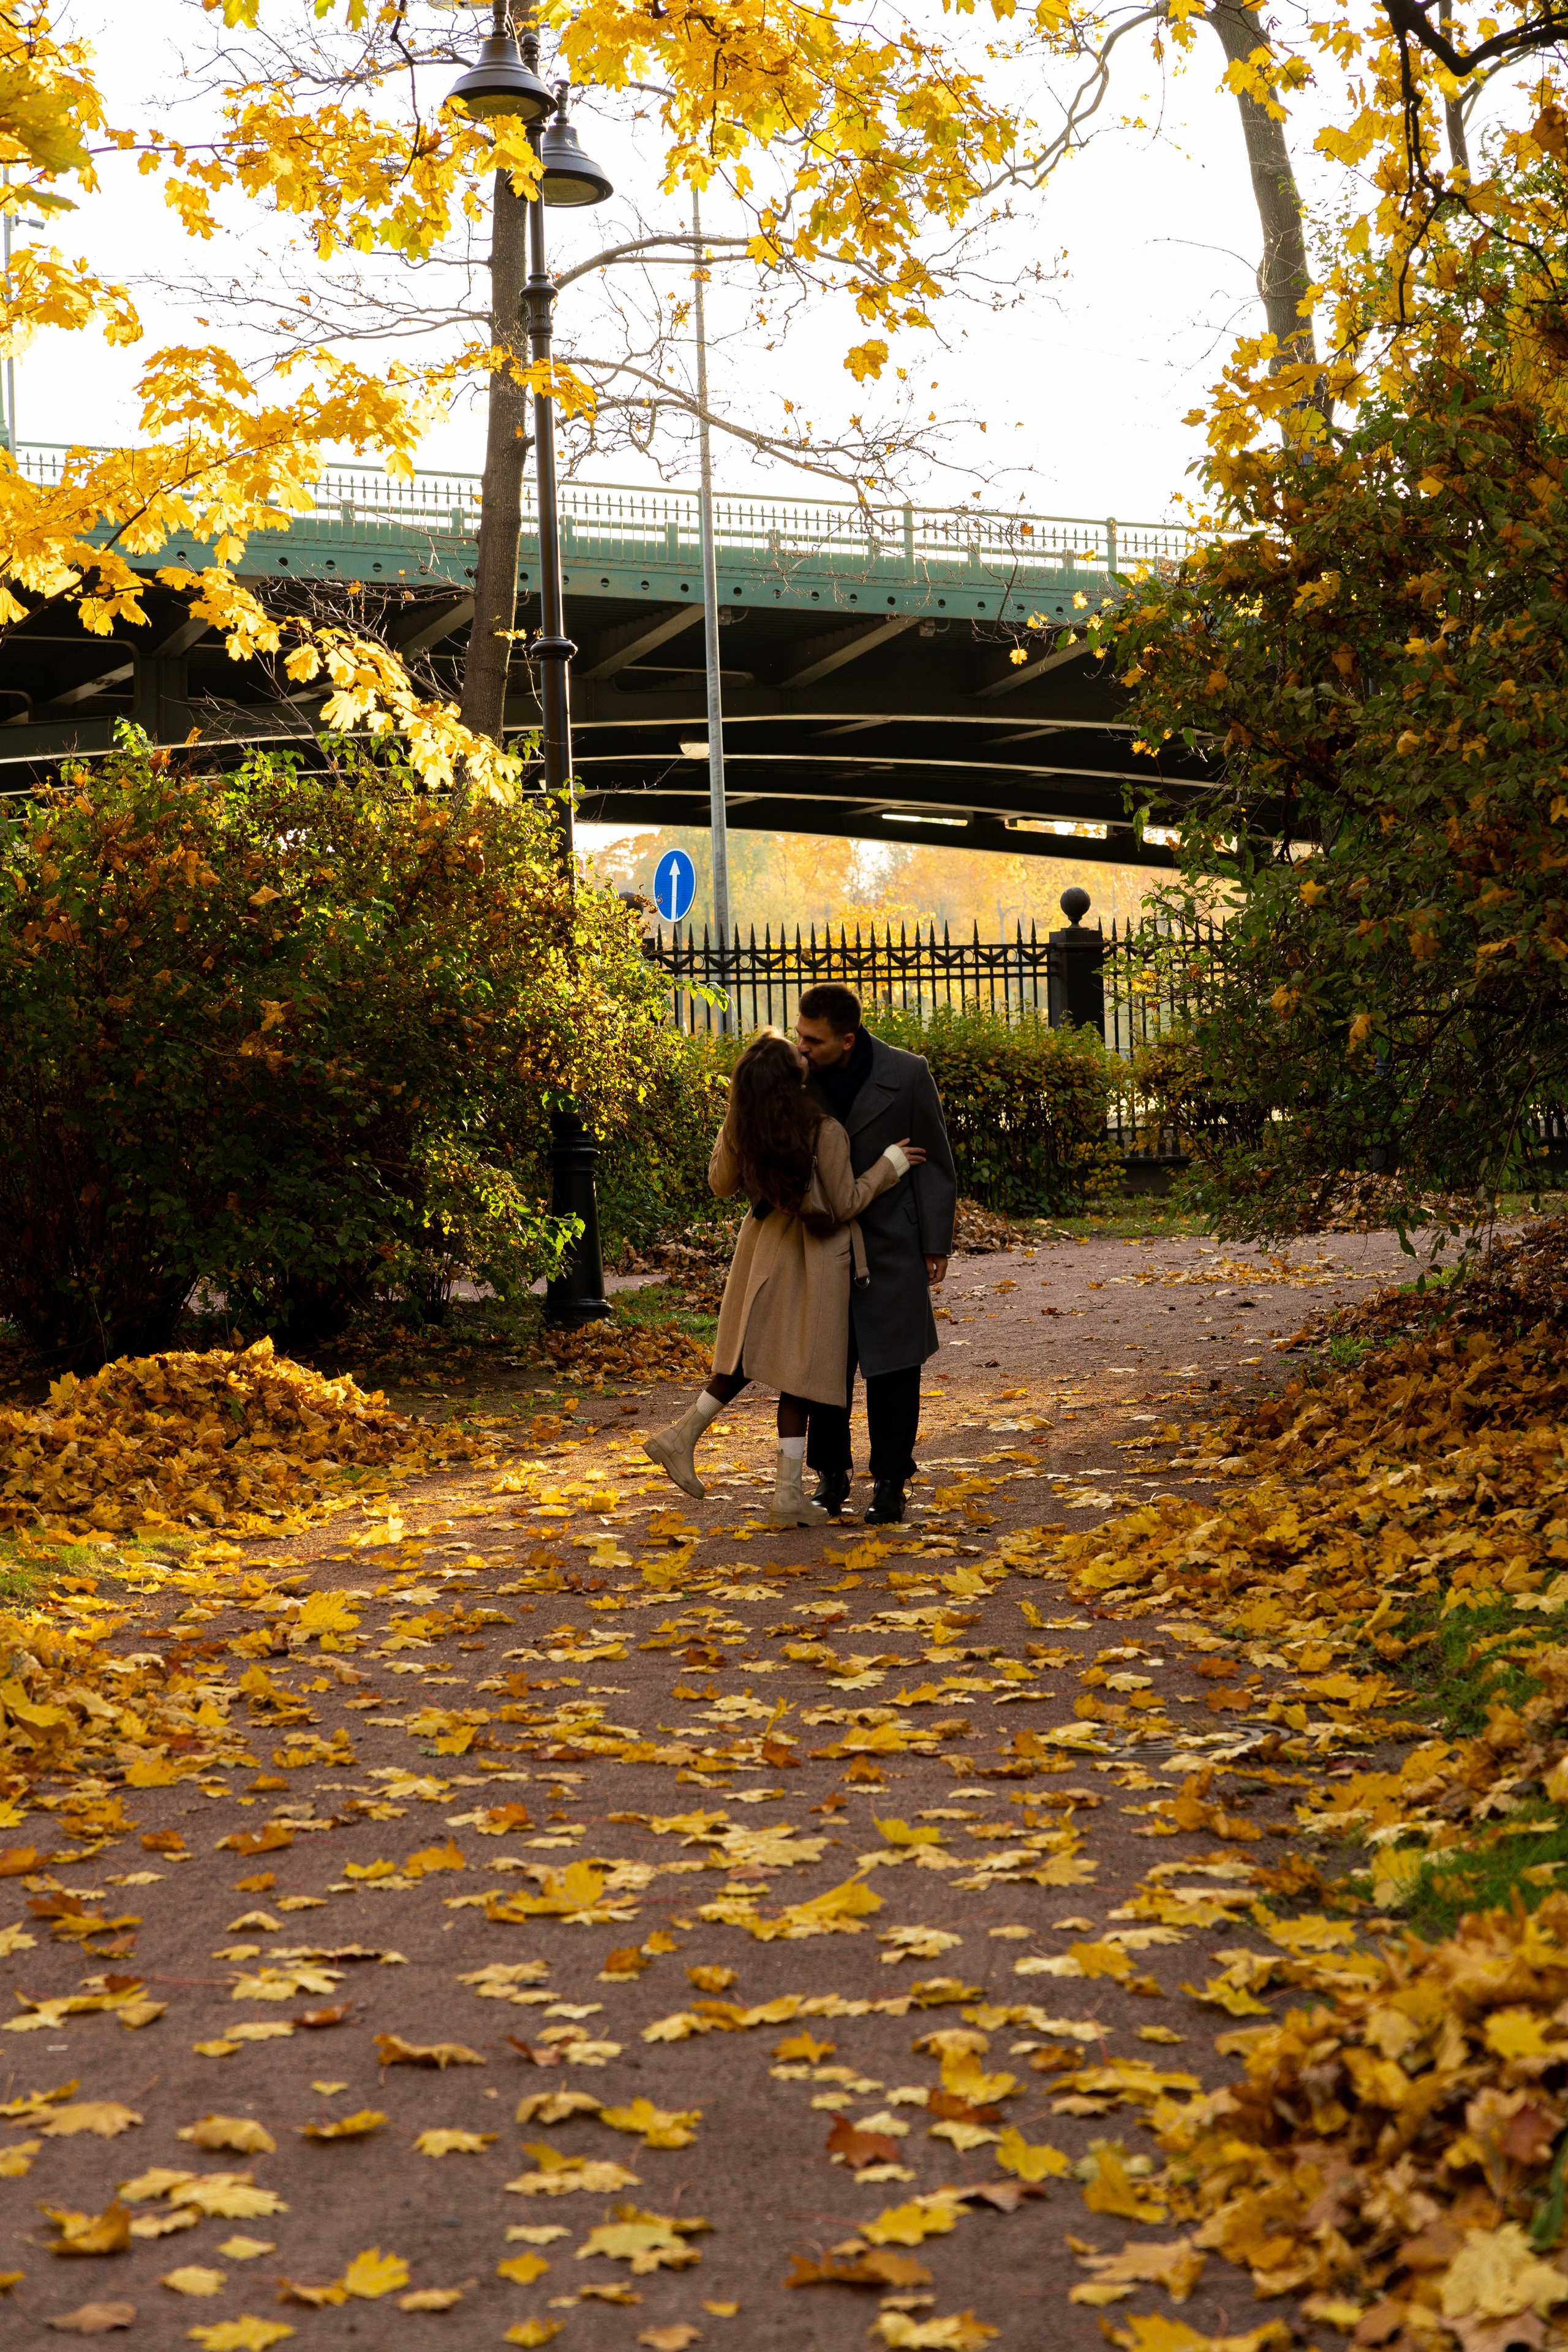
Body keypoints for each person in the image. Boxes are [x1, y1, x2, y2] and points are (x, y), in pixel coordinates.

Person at [643, 1028, 925, 1528]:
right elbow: (844, 1204)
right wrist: (889, 1165)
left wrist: (736, 1113)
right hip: (814, 1258)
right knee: (802, 1370)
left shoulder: (746, 1125)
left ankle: (716, 1455)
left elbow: (719, 1183)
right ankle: (780, 1490)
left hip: (764, 1249)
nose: (803, 1050)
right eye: (794, 1050)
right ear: (789, 1078)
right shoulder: (824, 1130)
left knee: (776, 1365)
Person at [794, 984, 956, 1524]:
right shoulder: (797, 1076)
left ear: (847, 1039)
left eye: (812, 1040)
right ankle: (830, 1477)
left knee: (895, 1367)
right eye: (798, 1036)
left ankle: (891, 1481)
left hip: (891, 1239)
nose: (802, 1047)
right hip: (822, 1237)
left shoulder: (907, 1073)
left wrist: (935, 1242)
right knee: (824, 1365)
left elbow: (933, 1160)